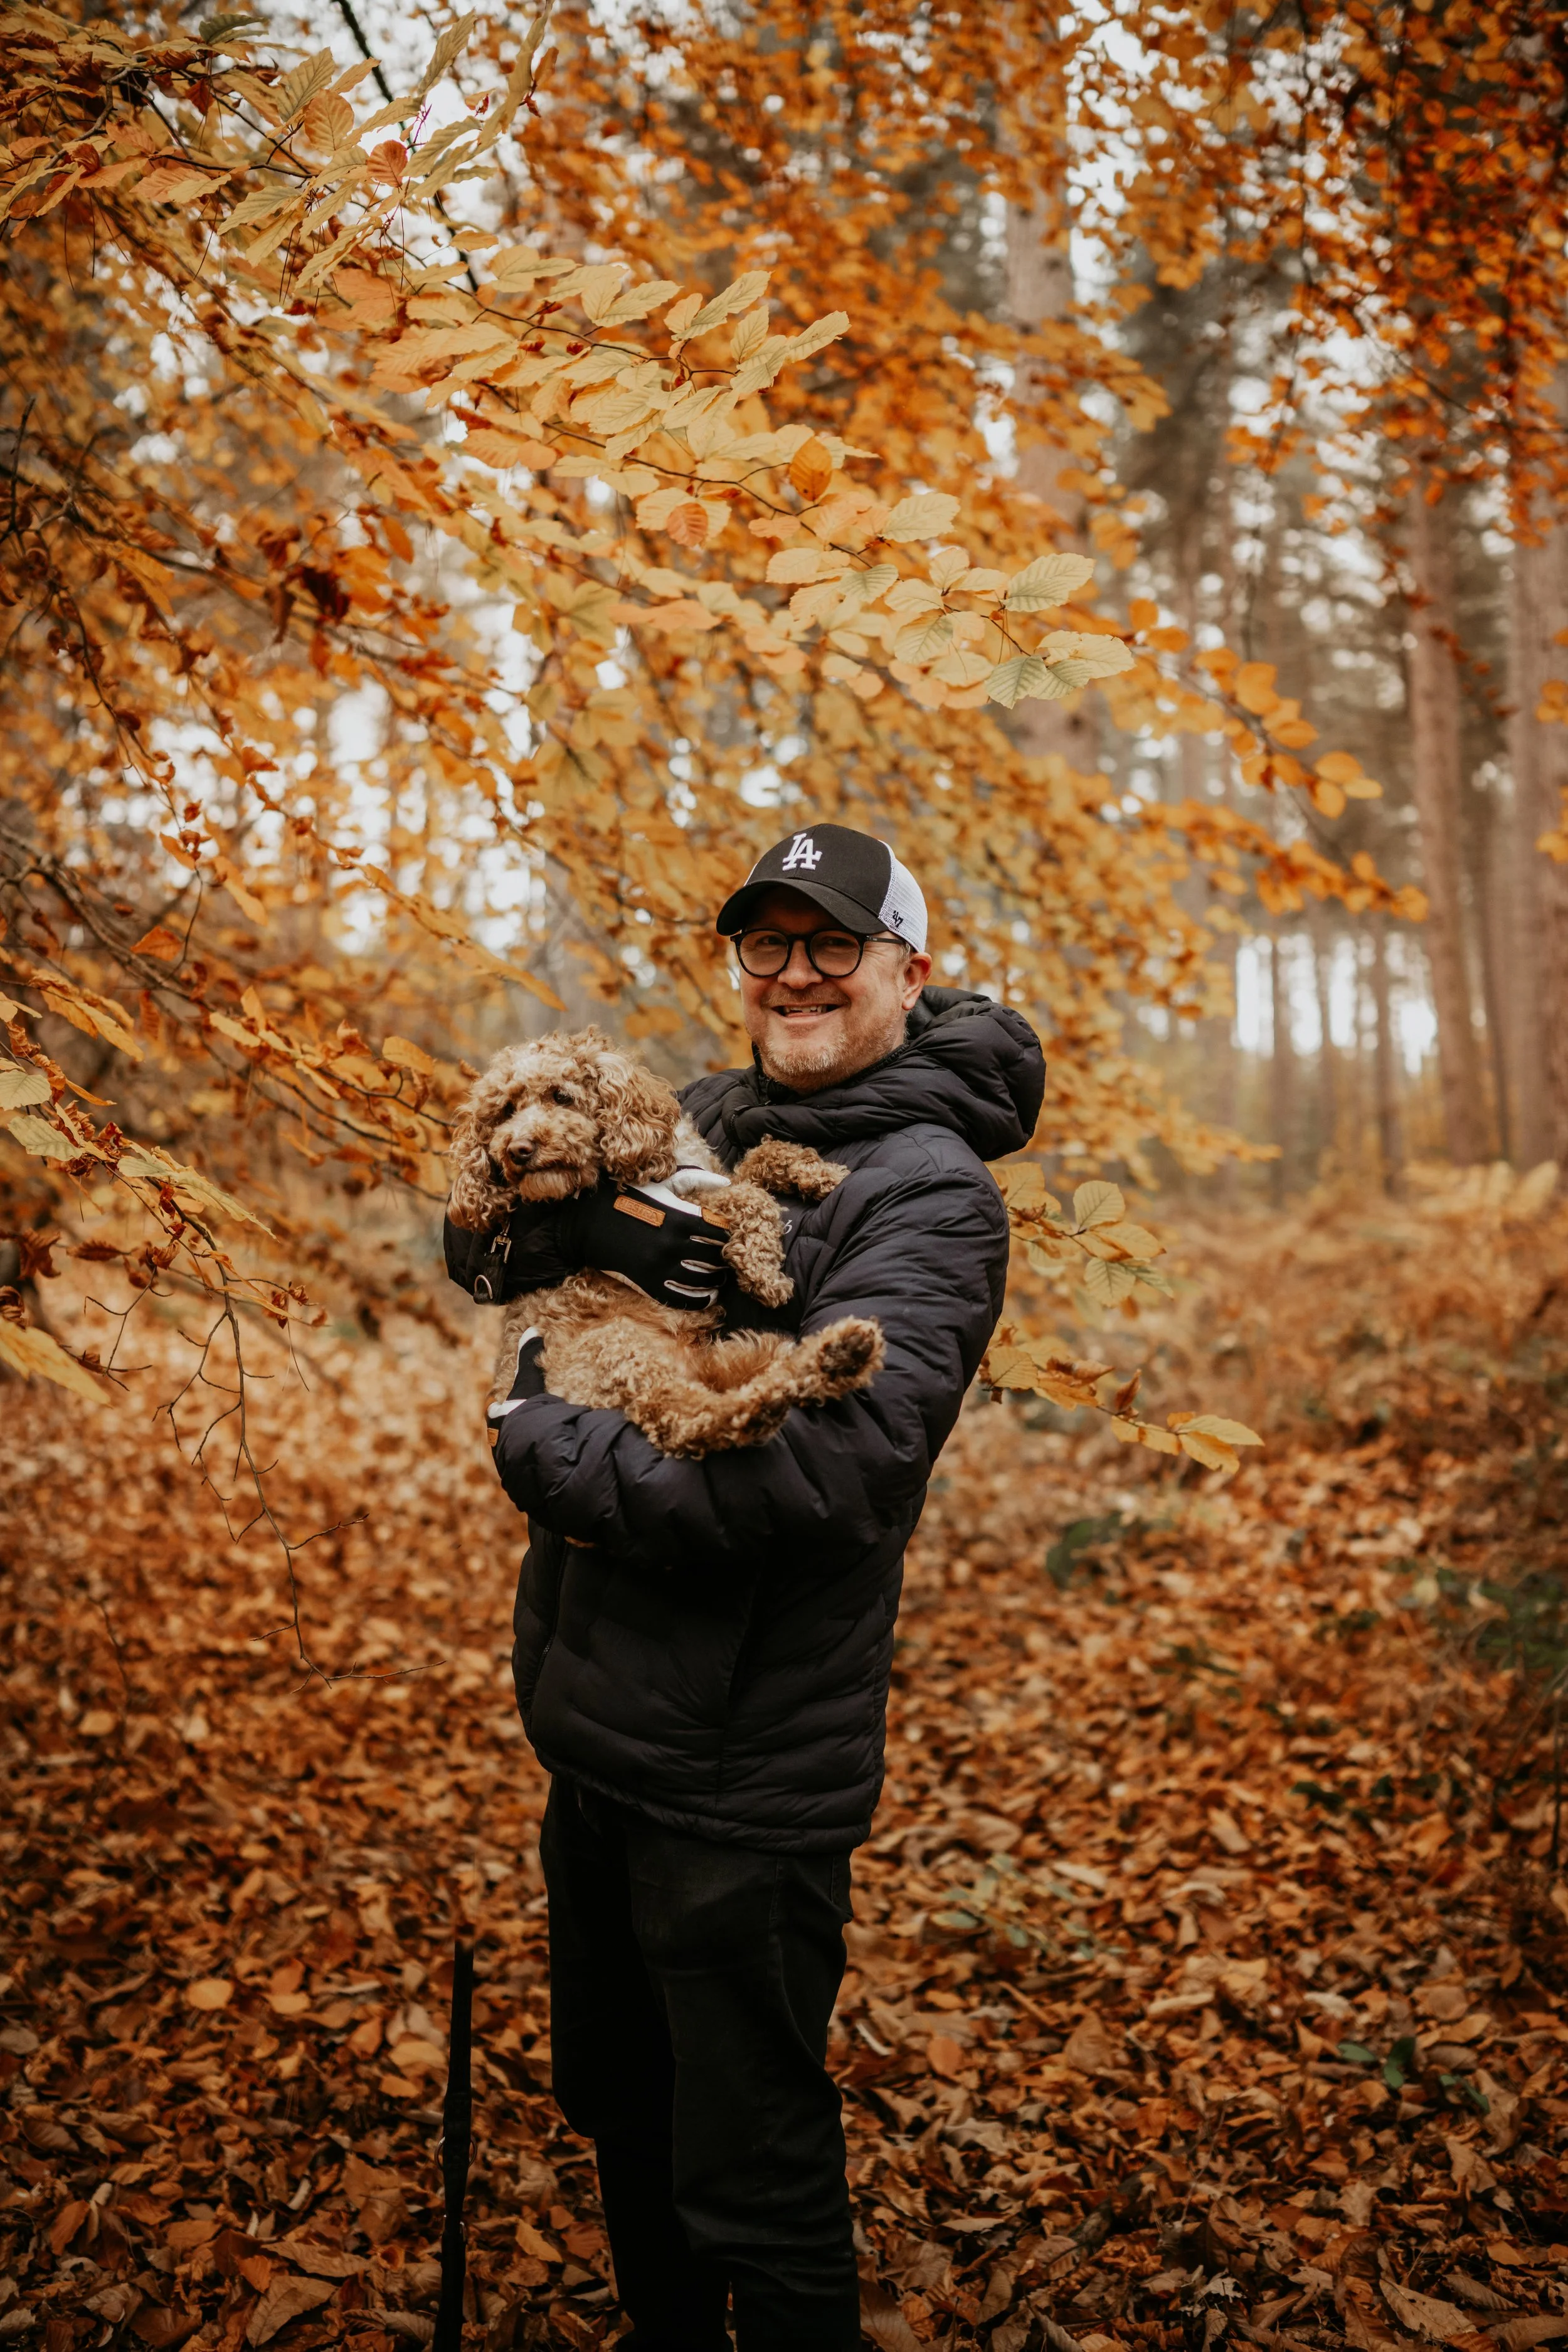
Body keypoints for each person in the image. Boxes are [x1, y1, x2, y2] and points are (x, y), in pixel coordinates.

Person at [444, 823, 1046, 2352]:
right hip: (598, 1737)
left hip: (743, 1763)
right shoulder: (702, 1114)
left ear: (908, 966)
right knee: (620, 2107)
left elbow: (827, 1476)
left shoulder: (928, 1194)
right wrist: (549, 1246)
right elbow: (486, 1243)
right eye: (764, 944)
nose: (793, 974)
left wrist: (541, 1444)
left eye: (831, 943)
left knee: (751, 2165)